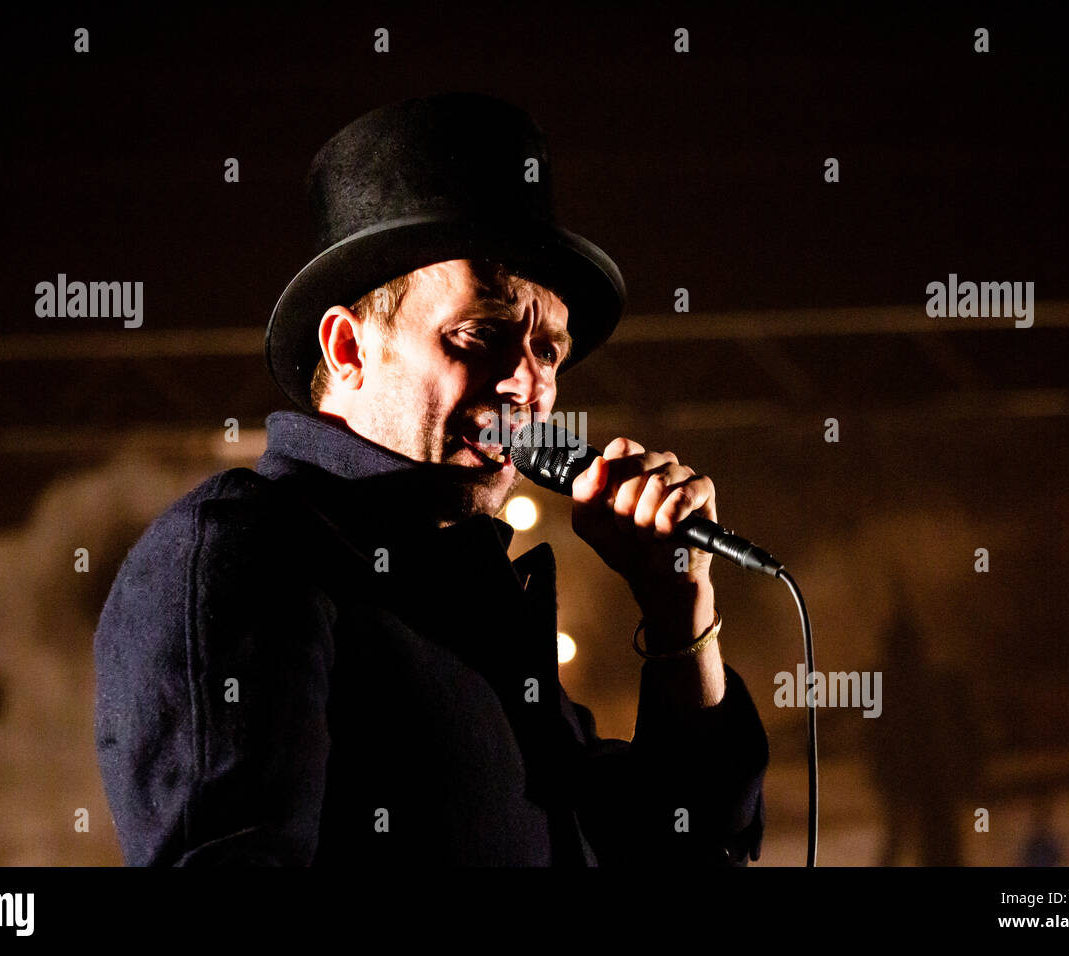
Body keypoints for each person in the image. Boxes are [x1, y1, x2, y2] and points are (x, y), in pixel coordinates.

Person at [94, 92, 770, 866]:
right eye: (480, 334)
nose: (528, 384)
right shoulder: (246, 553)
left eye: (548, 350)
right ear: (347, 349)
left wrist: (679, 608)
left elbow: (687, 840)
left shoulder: (480, 604)